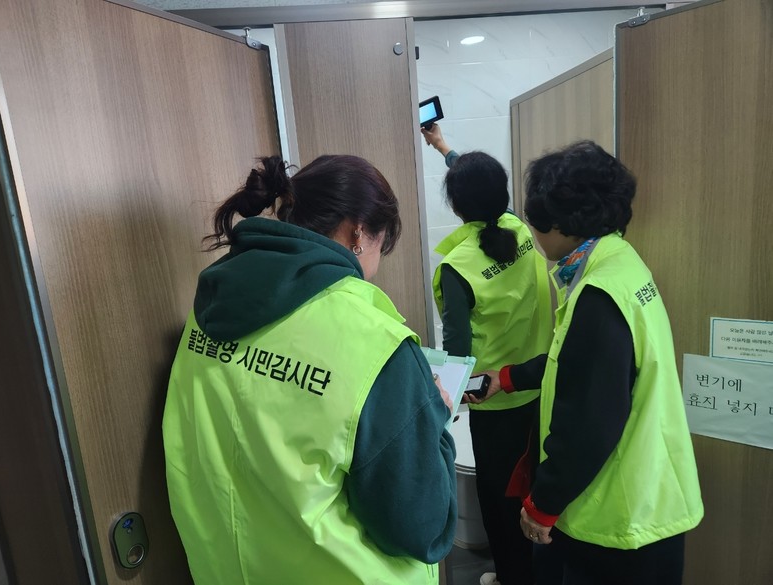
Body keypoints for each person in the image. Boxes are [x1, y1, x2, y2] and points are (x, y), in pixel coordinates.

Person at [162, 154, 458, 585]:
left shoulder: (209, 310)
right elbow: (422, 529)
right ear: (359, 232)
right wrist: (434, 420)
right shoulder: (374, 340)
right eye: (382, 243)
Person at [477, 140, 704, 585]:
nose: (533, 235)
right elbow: (578, 363)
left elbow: (589, 421)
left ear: (560, 224)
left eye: (535, 223)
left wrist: (542, 504)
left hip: (618, 516)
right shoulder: (622, 264)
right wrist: (508, 377)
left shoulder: (598, 295)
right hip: (650, 491)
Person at [422, 123, 553, 585]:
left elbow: (457, 353)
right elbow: (484, 190)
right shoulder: (519, 227)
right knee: (538, 488)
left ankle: (510, 577)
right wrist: (443, 146)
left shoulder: (458, 267)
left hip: (495, 401)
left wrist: (440, 406)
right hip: (540, 384)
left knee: (500, 500)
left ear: (457, 208)